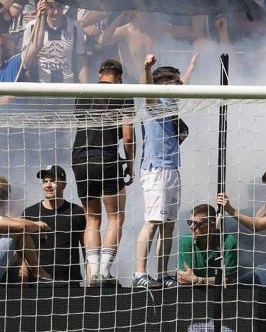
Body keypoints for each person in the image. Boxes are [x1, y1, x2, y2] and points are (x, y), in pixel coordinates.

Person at [73, 58, 136, 282]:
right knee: (116, 217)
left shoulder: (84, 92)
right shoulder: (123, 94)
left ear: (100, 73)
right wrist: (130, 163)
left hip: (80, 160)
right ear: (119, 77)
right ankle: (104, 271)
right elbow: (128, 135)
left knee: (91, 218)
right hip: (107, 158)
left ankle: (92, 271)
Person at [132, 55, 188, 289]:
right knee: (153, 222)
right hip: (157, 170)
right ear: (165, 84)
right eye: (177, 81)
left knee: (169, 225)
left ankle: (163, 274)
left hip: (172, 169)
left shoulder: (172, 104)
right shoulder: (154, 103)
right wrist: (146, 68)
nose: (182, 85)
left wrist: (192, 65)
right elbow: (148, 93)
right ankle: (139, 274)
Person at [21, 166, 85, 282]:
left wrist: (90, 276)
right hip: (37, 283)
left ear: (64, 185)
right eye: (45, 181)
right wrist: (23, 268)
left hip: (70, 284)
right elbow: (21, 246)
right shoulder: (29, 213)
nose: (48, 185)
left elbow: (86, 248)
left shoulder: (76, 211)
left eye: (53, 181)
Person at [176, 203, 237, 285]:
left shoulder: (228, 241)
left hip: (220, 293)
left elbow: (229, 279)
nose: (192, 227)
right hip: (192, 291)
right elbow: (185, 278)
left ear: (212, 225)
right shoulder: (186, 241)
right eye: (190, 222)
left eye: (197, 223)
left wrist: (199, 280)